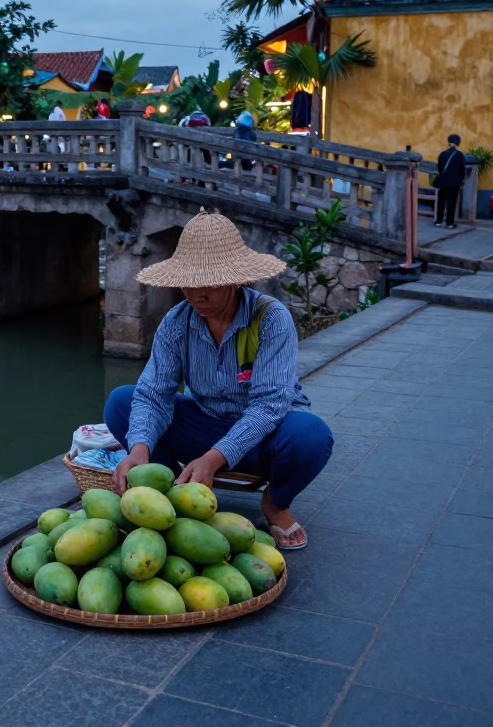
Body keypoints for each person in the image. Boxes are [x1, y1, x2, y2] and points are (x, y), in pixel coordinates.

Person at [105, 210, 333, 550]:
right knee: (122, 402)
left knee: (311, 437)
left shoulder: (271, 319)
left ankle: (276, 503)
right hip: (206, 423)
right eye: (190, 282)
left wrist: (214, 458)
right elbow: (154, 394)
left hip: (263, 438)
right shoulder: (176, 322)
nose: (198, 294)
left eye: (210, 281)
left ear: (234, 280)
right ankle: (175, 493)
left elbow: (270, 406)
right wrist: (139, 449)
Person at [434, 133, 465, 229]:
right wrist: (462, 179)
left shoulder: (442, 154)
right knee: (452, 203)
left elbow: (439, 168)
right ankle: (449, 223)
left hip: (443, 182)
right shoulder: (460, 155)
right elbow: (461, 170)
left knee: (441, 202)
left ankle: (439, 221)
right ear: (457, 143)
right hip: (455, 183)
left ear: (449, 142)